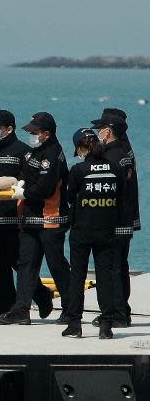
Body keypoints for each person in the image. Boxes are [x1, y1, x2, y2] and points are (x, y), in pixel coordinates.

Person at [0, 110, 54, 323]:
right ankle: (3, 306)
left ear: (9, 129)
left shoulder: (23, 152)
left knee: (18, 262)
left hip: (15, 217)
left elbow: (29, 181)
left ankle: (41, 294)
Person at [0, 112, 71, 325]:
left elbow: (47, 187)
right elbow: (25, 174)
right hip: (31, 218)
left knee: (56, 264)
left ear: (46, 134)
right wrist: (19, 183)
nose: (31, 135)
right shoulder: (34, 153)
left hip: (50, 218)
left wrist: (25, 193)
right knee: (26, 264)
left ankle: (70, 308)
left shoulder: (53, 154)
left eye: (34, 132)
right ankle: (21, 309)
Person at [61, 128, 128, 339]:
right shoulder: (115, 168)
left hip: (81, 230)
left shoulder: (79, 170)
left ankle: (74, 324)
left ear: (81, 147)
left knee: (77, 277)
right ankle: (106, 325)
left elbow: (70, 197)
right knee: (105, 276)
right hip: (107, 230)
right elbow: (122, 197)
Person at [91, 110, 136, 327]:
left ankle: (117, 314)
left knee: (113, 268)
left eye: (100, 128)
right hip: (124, 219)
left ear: (108, 131)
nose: (98, 132)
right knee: (120, 266)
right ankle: (122, 311)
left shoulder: (112, 156)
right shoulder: (125, 151)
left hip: (113, 221)